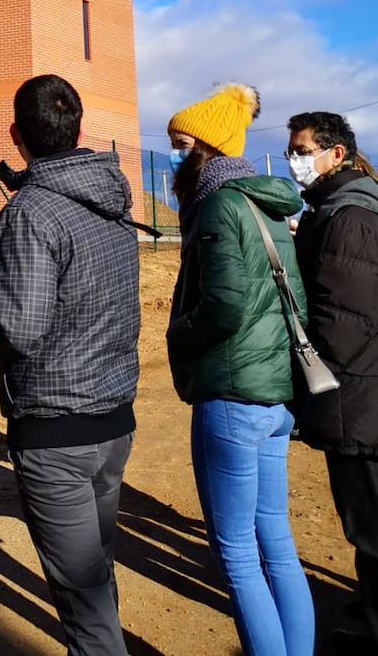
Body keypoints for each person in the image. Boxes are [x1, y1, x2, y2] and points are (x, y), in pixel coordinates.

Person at [0, 74, 140, 656]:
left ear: (15, 134)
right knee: (96, 575)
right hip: (113, 421)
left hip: (55, 431)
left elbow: (17, 328)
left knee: (86, 612)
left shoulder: (30, 215)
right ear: (81, 128)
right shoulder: (114, 204)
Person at [167, 83, 313, 656]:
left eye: (181, 144)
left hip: (231, 396)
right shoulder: (263, 202)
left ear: (208, 148)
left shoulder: (220, 204)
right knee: (275, 543)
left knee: (236, 552)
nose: (175, 154)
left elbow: (224, 304)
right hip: (272, 395)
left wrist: (178, 332)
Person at [287, 111, 378, 652]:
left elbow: (344, 319)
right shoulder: (346, 206)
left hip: (359, 392)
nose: (296, 160)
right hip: (362, 388)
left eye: (302, 150)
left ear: (335, 153)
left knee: (368, 516)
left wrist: (303, 365)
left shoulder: (348, 217)